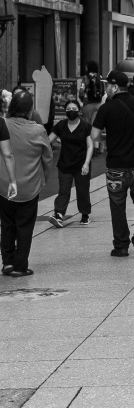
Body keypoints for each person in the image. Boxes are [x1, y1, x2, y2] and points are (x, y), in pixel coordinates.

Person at [91, 71, 134, 258]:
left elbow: (94, 136)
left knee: (117, 205)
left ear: (113, 87)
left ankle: (121, 246)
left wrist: (108, 135)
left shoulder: (106, 108)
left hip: (115, 167)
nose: (105, 89)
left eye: (106, 86)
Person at [0, 90, 49, 277]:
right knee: (25, 227)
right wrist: (43, 179)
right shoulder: (38, 130)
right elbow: (47, 159)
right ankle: (20, 266)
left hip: (4, 185)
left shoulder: (3, 124)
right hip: (29, 186)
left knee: (6, 224)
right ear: (30, 111)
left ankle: (7, 262)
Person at [47, 98, 93, 227]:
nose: (71, 111)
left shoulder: (85, 126)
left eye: (74, 109)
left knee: (82, 190)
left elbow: (90, 146)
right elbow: (48, 140)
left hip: (81, 163)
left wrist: (86, 164)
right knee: (63, 190)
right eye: (68, 109)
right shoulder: (61, 125)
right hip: (65, 164)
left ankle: (85, 215)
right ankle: (59, 214)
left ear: (78, 111)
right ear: (65, 111)